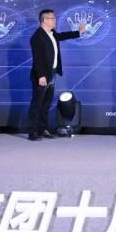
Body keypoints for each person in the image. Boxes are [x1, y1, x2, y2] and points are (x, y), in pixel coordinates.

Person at [28, 9, 85, 141]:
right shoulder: (37, 37)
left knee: (46, 104)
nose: (55, 20)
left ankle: (43, 129)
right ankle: (33, 132)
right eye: (52, 18)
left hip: (51, 73)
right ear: (45, 20)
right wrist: (41, 76)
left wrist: (79, 32)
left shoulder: (52, 33)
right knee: (37, 104)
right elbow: (38, 58)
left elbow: (62, 36)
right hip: (42, 76)